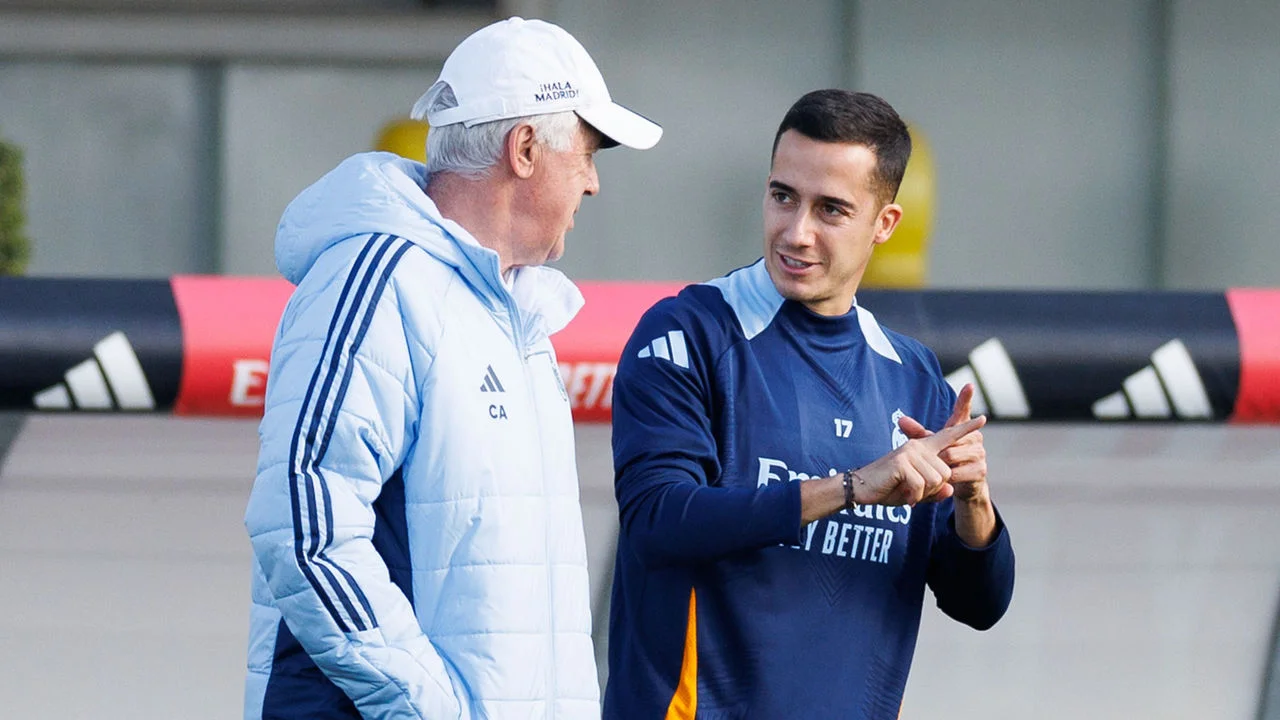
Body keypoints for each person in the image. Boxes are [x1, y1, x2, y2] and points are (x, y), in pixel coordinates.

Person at [242, 17, 661, 720]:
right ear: (524, 148)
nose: (593, 183)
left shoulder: (516, 313)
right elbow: (304, 531)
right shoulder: (374, 281)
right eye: (588, 153)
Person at [603, 89, 1013, 718]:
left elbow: (978, 604)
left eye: (831, 210)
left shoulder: (914, 375)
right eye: (782, 197)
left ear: (885, 224)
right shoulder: (687, 332)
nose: (796, 233)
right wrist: (853, 486)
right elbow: (659, 519)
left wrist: (972, 500)